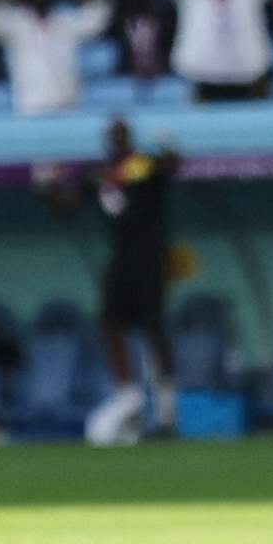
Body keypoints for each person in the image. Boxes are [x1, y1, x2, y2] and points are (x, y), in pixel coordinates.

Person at [83, 117, 178, 444]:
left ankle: (166, 409)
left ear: (128, 137)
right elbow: (68, 203)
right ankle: (129, 399)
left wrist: (168, 146)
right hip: (121, 260)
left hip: (150, 259)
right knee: (111, 325)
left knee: (153, 328)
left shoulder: (145, 166)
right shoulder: (103, 176)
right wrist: (46, 186)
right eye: (112, 134)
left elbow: (171, 167)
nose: (116, 139)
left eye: (120, 133)